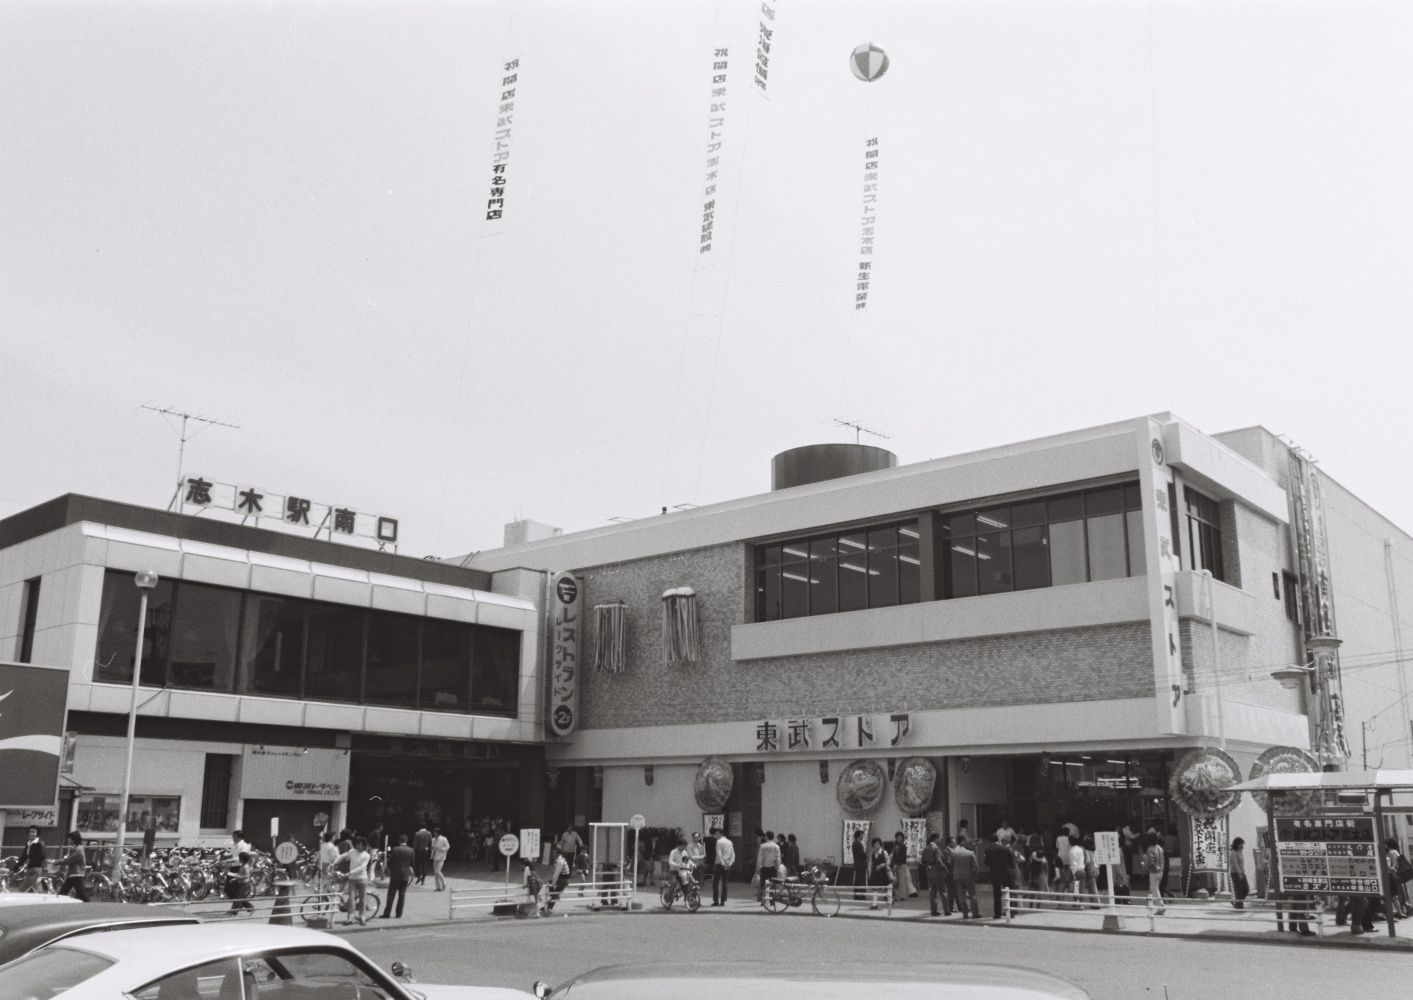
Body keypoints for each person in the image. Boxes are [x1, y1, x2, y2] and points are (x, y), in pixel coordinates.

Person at [381, 834, 415, 918]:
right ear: (406, 841)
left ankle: (387, 913)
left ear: (399, 840)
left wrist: (390, 870)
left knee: (391, 895)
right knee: (402, 895)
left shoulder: (395, 849)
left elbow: (390, 862)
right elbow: (412, 863)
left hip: (395, 874)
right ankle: (399, 914)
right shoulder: (411, 850)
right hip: (405, 875)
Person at [341, 836, 372, 925]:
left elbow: (362, 867)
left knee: (362, 899)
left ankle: (362, 917)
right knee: (351, 899)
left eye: (361, 845)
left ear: (364, 846)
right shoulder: (351, 852)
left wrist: (350, 872)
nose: (359, 846)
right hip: (352, 880)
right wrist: (335, 862)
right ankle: (350, 918)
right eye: (358, 844)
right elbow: (343, 857)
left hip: (362, 879)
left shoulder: (366, 855)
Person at [984, 835, 1014, 919]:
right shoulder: (1006, 849)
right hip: (1006, 873)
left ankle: (998, 914)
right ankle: (1011, 912)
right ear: (998, 840)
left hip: (995, 874)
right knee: (1009, 893)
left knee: (997, 895)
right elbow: (1011, 862)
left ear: (990, 841)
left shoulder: (988, 850)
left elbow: (986, 863)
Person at [951, 837, 980, 919]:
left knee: (961, 896)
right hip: (968, 876)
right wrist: (975, 876)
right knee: (972, 895)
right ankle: (975, 914)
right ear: (963, 842)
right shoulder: (970, 853)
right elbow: (975, 867)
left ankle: (965, 914)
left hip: (957, 876)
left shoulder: (954, 853)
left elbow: (952, 864)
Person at [922, 833, 949, 916]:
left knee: (932, 893)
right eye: (939, 839)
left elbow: (923, 861)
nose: (939, 840)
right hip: (938, 873)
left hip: (929, 873)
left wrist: (929, 867)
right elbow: (939, 860)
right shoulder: (936, 848)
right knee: (943, 892)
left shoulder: (925, 849)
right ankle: (946, 911)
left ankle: (933, 911)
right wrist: (944, 868)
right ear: (935, 839)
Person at [57, 831, 89, 901]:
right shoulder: (75, 847)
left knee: (81, 893)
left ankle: (90, 905)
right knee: (64, 891)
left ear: (75, 839)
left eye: (71, 839)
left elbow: (70, 859)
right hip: (73, 874)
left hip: (77, 874)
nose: (69, 840)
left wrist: (57, 862)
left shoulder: (78, 849)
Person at [1140, 833, 1165, 913]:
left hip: (1154, 872)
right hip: (1160, 871)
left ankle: (1161, 907)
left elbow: (1150, 862)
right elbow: (1163, 860)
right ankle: (1149, 903)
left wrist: (1144, 865)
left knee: (1155, 890)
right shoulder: (1160, 848)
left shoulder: (1150, 849)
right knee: (1153, 888)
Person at [756, 830, 782, 902]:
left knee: (763, 884)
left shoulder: (763, 846)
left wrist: (758, 867)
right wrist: (777, 867)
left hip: (764, 867)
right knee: (773, 885)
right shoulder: (776, 846)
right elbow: (778, 858)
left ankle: (764, 900)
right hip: (773, 867)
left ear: (767, 837)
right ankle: (772, 900)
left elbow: (760, 858)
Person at [712, 827, 735, 906]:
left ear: (721, 834)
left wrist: (722, 863)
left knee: (716, 882)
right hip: (727, 864)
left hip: (719, 864)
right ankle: (723, 900)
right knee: (725, 882)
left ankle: (716, 900)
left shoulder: (718, 842)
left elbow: (719, 854)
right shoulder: (730, 842)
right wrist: (730, 863)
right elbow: (733, 854)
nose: (716, 835)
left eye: (717, 834)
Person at [18, 827, 46, 892]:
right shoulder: (29, 843)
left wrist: (27, 863)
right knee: (35, 890)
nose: (31, 833)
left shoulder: (39, 843)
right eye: (30, 832)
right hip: (30, 869)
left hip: (35, 869)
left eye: (33, 832)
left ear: (37, 833)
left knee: (21, 890)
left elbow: (42, 856)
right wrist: (15, 868)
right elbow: (23, 857)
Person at [867, 837, 891, 909]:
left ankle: (890, 900)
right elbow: (870, 864)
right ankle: (875, 904)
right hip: (875, 873)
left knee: (885, 888)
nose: (876, 846)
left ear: (880, 845)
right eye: (875, 844)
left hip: (883, 873)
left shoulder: (884, 852)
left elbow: (888, 862)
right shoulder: (872, 854)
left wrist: (881, 865)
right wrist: (869, 873)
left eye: (878, 844)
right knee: (875, 889)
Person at [543, 850, 571, 914]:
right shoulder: (560, 859)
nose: (552, 854)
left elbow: (556, 873)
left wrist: (553, 883)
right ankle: (549, 907)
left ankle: (553, 898)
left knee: (550, 885)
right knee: (555, 893)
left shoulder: (560, 861)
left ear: (558, 854)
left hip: (563, 880)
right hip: (564, 879)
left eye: (554, 853)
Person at [891, 831, 915, 901]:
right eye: (898, 837)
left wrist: (897, 864)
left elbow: (902, 856)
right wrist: (893, 864)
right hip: (896, 865)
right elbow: (894, 856)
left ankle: (902, 896)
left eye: (900, 837)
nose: (899, 838)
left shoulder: (903, 846)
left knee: (902, 881)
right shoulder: (895, 846)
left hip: (901, 865)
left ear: (902, 838)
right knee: (896, 881)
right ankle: (896, 895)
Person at [1229, 837, 1249, 910]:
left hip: (1241, 872)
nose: (1242, 846)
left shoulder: (1240, 851)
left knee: (1246, 889)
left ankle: (1237, 902)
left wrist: (1242, 872)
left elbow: (1241, 863)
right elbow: (1235, 864)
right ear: (1237, 844)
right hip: (1235, 873)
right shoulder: (1233, 852)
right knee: (1239, 890)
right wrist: (1239, 874)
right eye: (1241, 844)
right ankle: (1239, 905)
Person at [850, 829, 868, 900]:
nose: (862, 837)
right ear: (858, 836)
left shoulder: (854, 843)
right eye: (862, 835)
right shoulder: (858, 844)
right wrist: (866, 857)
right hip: (861, 865)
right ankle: (862, 896)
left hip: (857, 865)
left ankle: (856, 895)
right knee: (861, 881)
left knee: (857, 881)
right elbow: (863, 854)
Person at [431, 827, 450, 891]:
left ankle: (444, 883)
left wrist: (440, 849)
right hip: (435, 857)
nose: (434, 834)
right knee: (435, 873)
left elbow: (447, 847)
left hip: (441, 857)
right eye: (434, 832)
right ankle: (438, 887)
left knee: (438, 871)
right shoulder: (433, 839)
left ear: (438, 833)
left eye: (435, 832)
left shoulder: (443, 839)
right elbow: (433, 848)